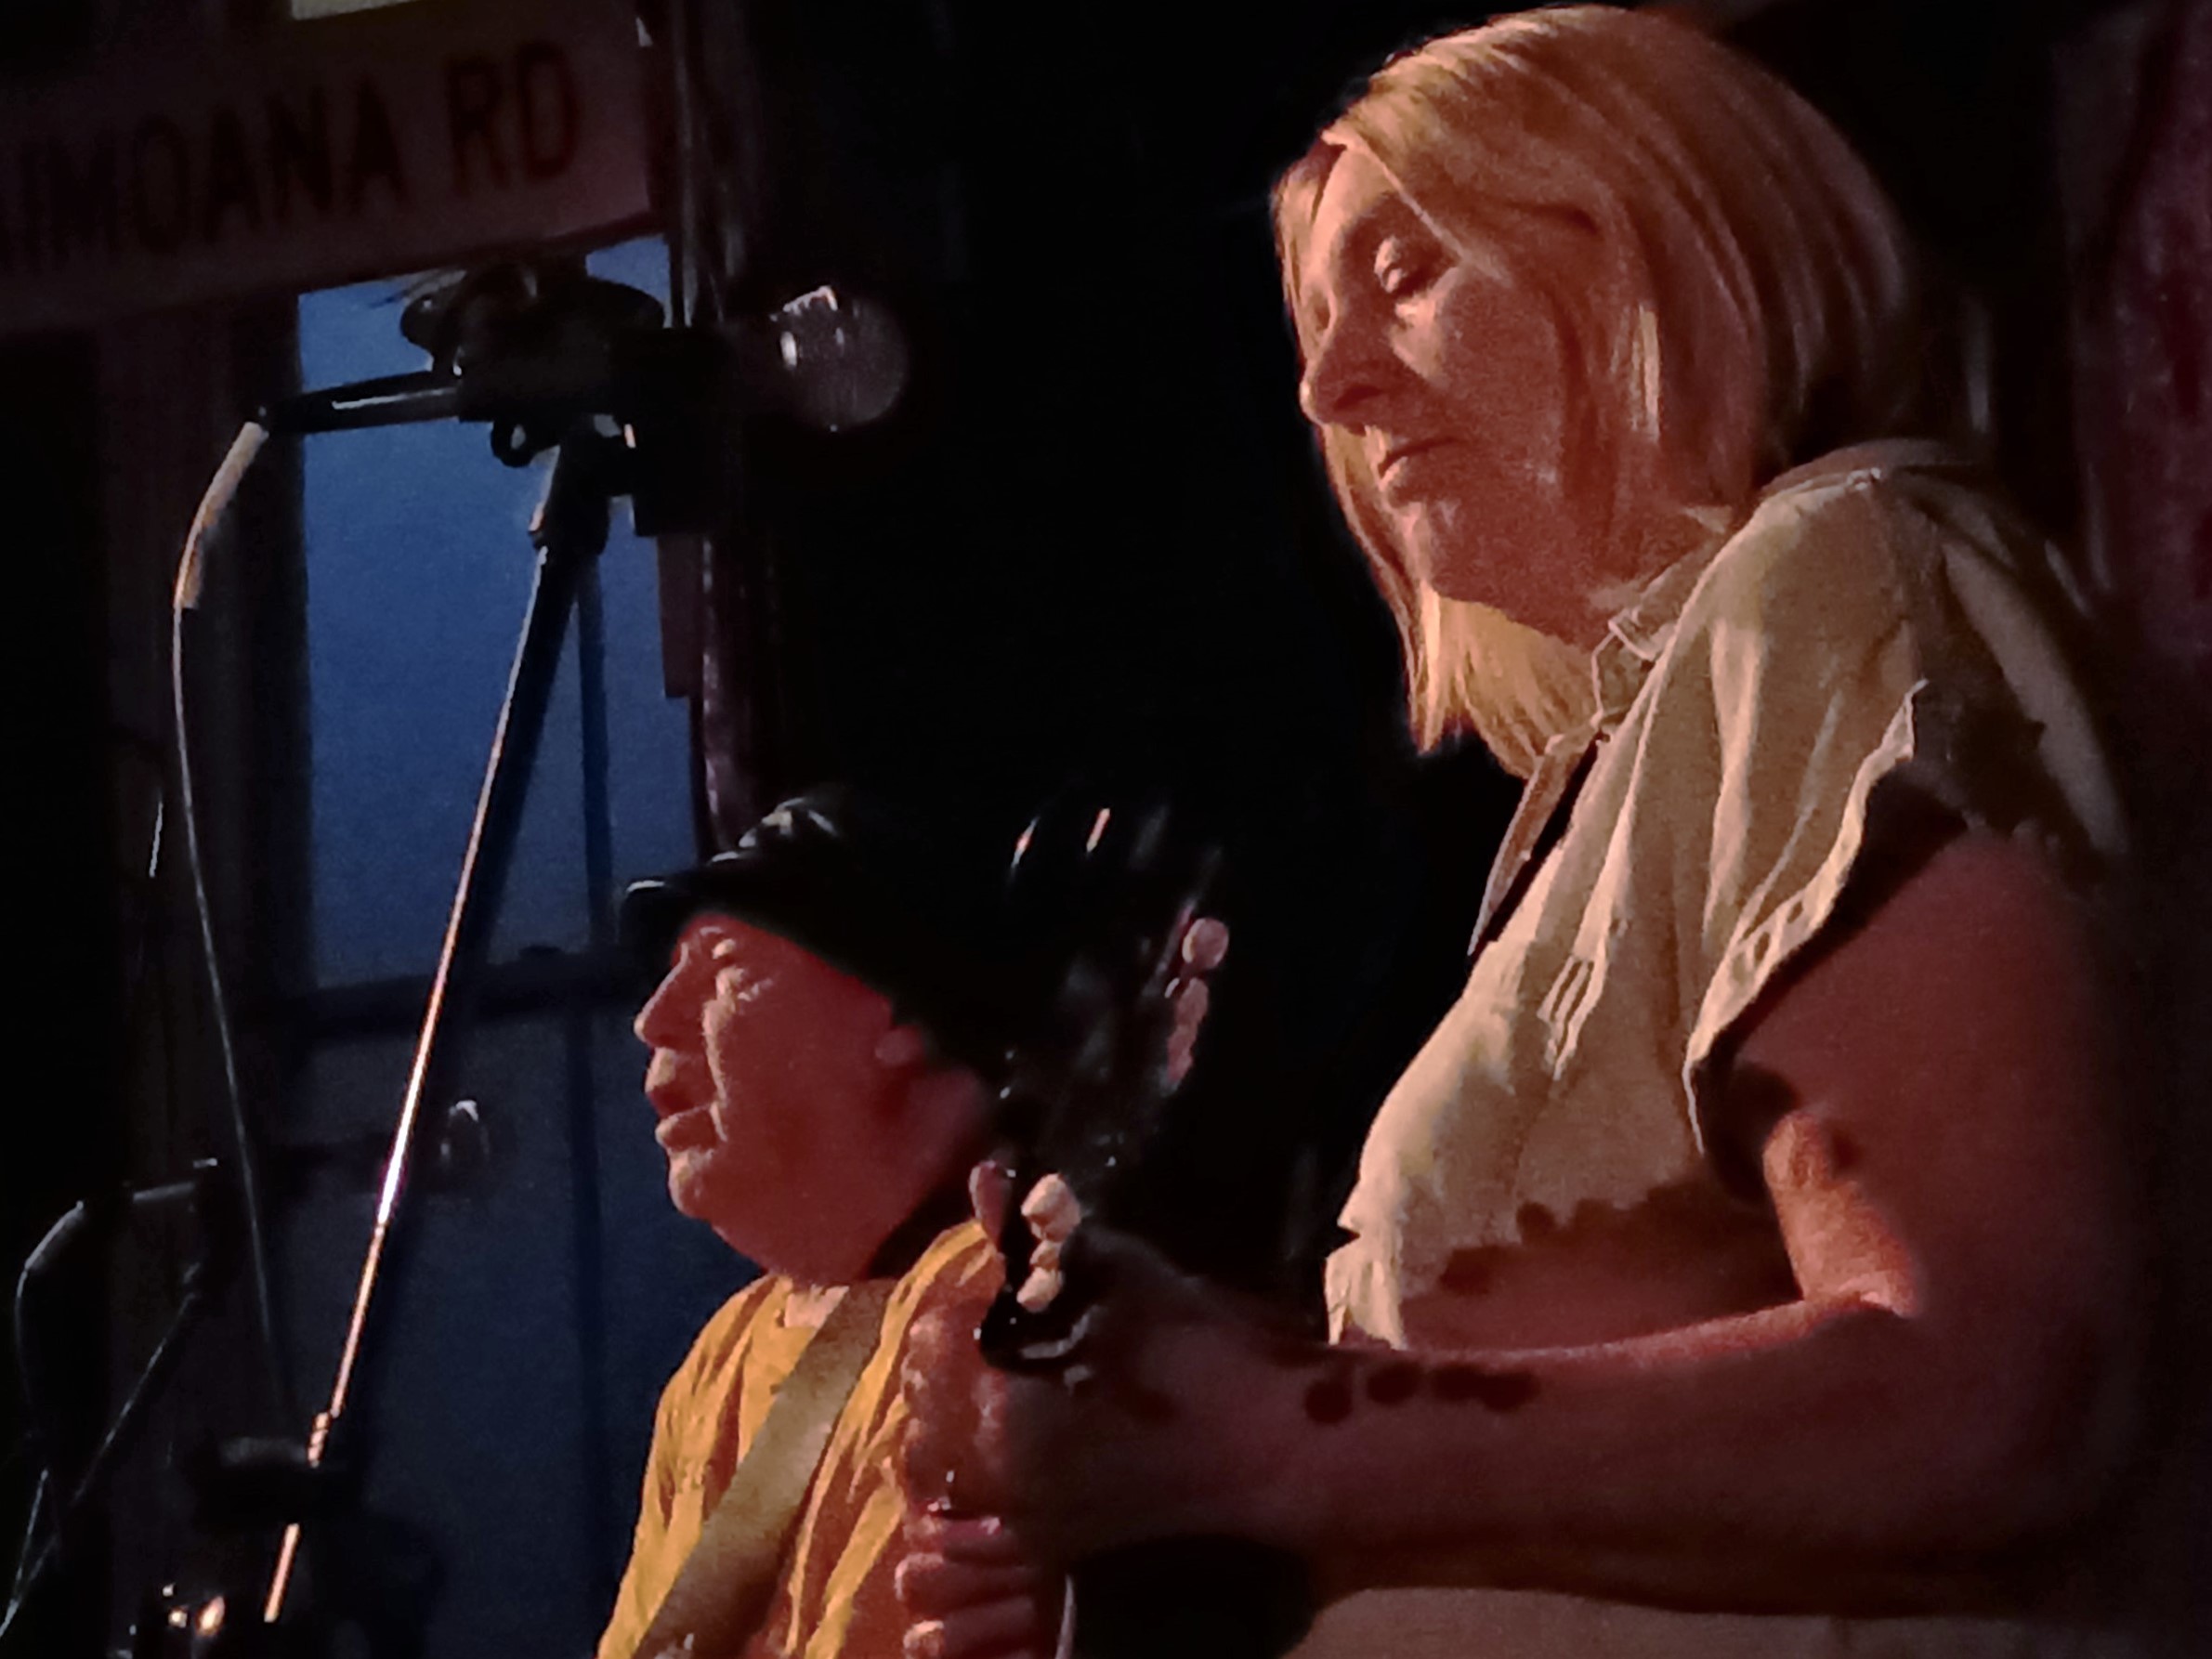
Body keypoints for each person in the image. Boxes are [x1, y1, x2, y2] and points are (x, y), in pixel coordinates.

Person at [897, 8, 2152, 1657]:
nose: (1328, 384)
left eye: (1406, 272)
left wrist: (1269, 1429)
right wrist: (1149, 1491)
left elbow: (1994, 1390)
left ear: (1656, 242)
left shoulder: (1836, 568)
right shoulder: (1605, 777)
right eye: (1316, 327)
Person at [596, 790, 1031, 1659]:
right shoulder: (724, 1353)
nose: (653, 1019)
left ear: (898, 1005)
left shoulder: (999, 1305)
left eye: (723, 968)